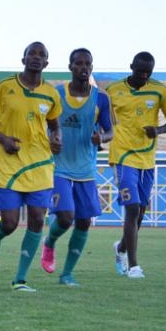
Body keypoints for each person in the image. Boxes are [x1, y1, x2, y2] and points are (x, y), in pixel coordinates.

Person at [0, 41, 63, 293]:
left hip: (39, 162)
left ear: (47, 63)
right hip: (8, 162)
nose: (36, 58)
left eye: (41, 55)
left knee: (38, 219)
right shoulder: (5, 87)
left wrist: (56, 138)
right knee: (9, 222)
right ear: (23, 58)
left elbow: (54, 125)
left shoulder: (50, 94)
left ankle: (20, 279)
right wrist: (3, 139)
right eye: (32, 54)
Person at [39, 49, 113, 285]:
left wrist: (102, 138)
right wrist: (51, 139)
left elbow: (110, 130)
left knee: (83, 222)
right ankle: (49, 242)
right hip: (59, 166)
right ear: (70, 67)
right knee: (66, 217)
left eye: (87, 64)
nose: (83, 68)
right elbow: (42, 124)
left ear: (92, 67)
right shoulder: (56, 94)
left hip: (86, 169)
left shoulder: (101, 98)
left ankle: (67, 274)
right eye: (78, 64)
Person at [106, 51, 166, 278]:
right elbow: (100, 116)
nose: (144, 75)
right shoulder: (113, 91)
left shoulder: (160, 91)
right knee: (132, 207)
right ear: (131, 67)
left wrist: (158, 130)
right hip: (122, 157)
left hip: (147, 159)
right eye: (140, 71)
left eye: (148, 72)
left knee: (141, 211)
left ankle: (121, 248)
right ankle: (134, 266)